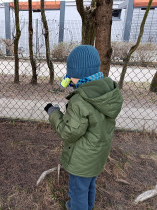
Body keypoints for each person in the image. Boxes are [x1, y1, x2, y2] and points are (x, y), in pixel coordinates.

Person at [44, 45, 123, 210]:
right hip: (97, 155)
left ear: (76, 75)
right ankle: (85, 206)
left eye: (70, 74)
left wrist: (54, 113)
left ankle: (78, 206)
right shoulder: (106, 91)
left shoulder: (79, 101)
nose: (67, 77)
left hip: (82, 159)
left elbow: (69, 133)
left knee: (77, 190)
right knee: (89, 185)